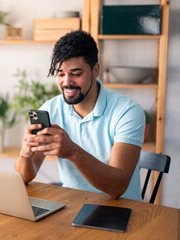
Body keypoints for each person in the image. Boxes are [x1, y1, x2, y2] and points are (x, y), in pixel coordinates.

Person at [14, 30, 145, 201]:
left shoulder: (128, 112)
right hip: (71, 206)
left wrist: (73, 152)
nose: (67, 82)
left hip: (120, 211)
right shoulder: (51, 109)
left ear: (95, 70)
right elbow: (25, 177)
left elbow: (118, 187)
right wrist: (25, 154)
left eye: (76, 74)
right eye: (60, 74)